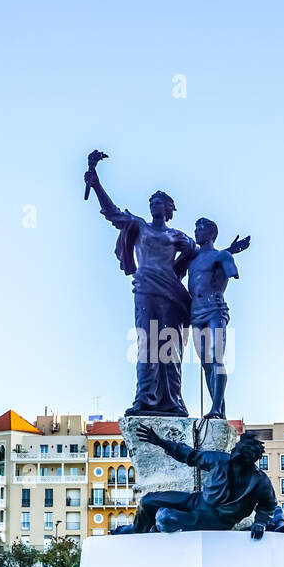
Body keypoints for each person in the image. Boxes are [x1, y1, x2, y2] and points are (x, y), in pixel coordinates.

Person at [85, 157, 195, 416]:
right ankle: (145, 398)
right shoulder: (139, 226)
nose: (155, 205)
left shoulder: (177, 235)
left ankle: (172, 400)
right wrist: (97, 183)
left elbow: (198, 253)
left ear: (169, 209)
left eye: (160, 203)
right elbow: (112, 213)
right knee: (146, 343)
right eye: (152, 203)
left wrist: (227, 254)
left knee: (170, 346)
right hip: (146, 288)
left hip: (170, 292)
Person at [130, 426, 277, 536]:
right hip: (198, 501)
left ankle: (158, 529)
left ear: (248, 459)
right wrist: (161, 442)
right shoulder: (221, 460)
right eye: (234, 449)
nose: (232, 453)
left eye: (236, 452)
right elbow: (190, 455)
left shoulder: (260, 482)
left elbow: (268, 506)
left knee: (166, 518)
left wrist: (260, 522)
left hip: (216, 520)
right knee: (147, 501)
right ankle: (137, 534)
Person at [186, 218, 250, 419]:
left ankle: (215, 408)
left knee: (216, 358)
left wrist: (229, 253)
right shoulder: (193, 260)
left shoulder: (221, 256)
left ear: (212, 233)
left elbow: (231, 272)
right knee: (205, 363)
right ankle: (218, 410)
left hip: (215, 309)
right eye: (195, 227)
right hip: (195, 313)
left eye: (201, 228)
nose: (196, 231)